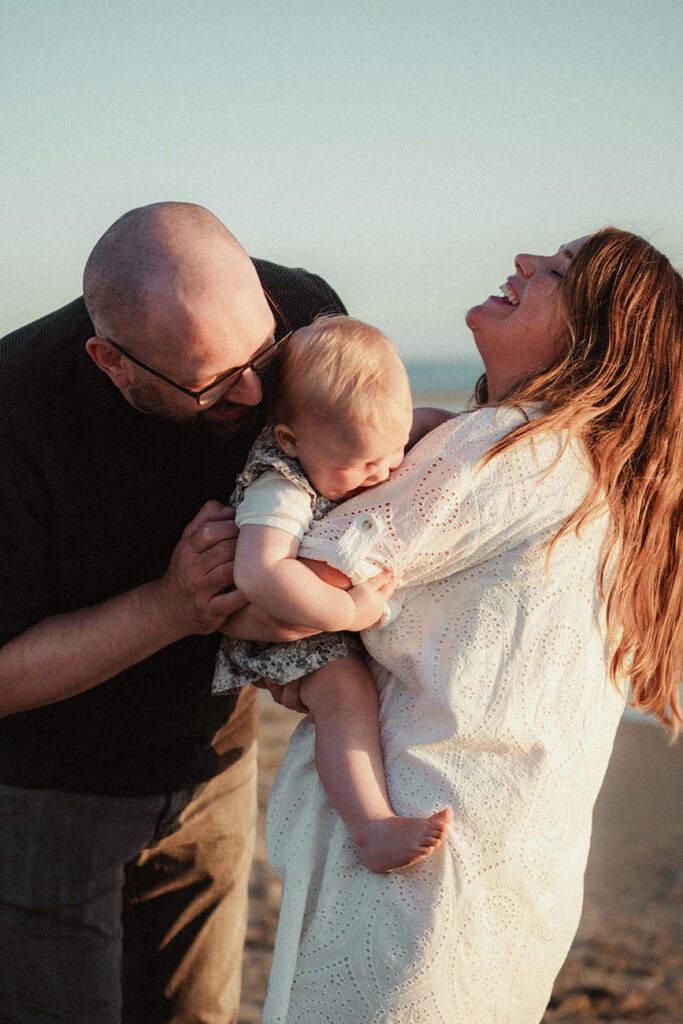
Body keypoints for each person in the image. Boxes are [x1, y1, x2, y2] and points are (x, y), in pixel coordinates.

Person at [257, 228, 683, 1023]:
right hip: (517, 877)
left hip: (411, 871)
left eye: (557, 272)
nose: (524, 262)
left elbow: (281, 592)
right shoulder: (608, 481)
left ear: (596, 336)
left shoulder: (504, 446)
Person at [0, 201, 348, 1024]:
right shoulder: (15, 417)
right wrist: (169, 607)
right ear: (111, 363)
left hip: (216, 763)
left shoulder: (301, 312)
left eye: (261, 352)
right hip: (48, 794)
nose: (258, 391)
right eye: (216, 383)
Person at [213, 315, 453, 872]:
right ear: (292, 440)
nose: (380, 473)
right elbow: (259, 572)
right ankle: (372, 827)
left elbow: (428, 424)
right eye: (357, 465)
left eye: (390, 453)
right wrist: (346, 610)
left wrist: (469, 426)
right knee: (346, 697)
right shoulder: (280, 484)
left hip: (318, 609)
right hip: (277, 626)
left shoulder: (357, 432)